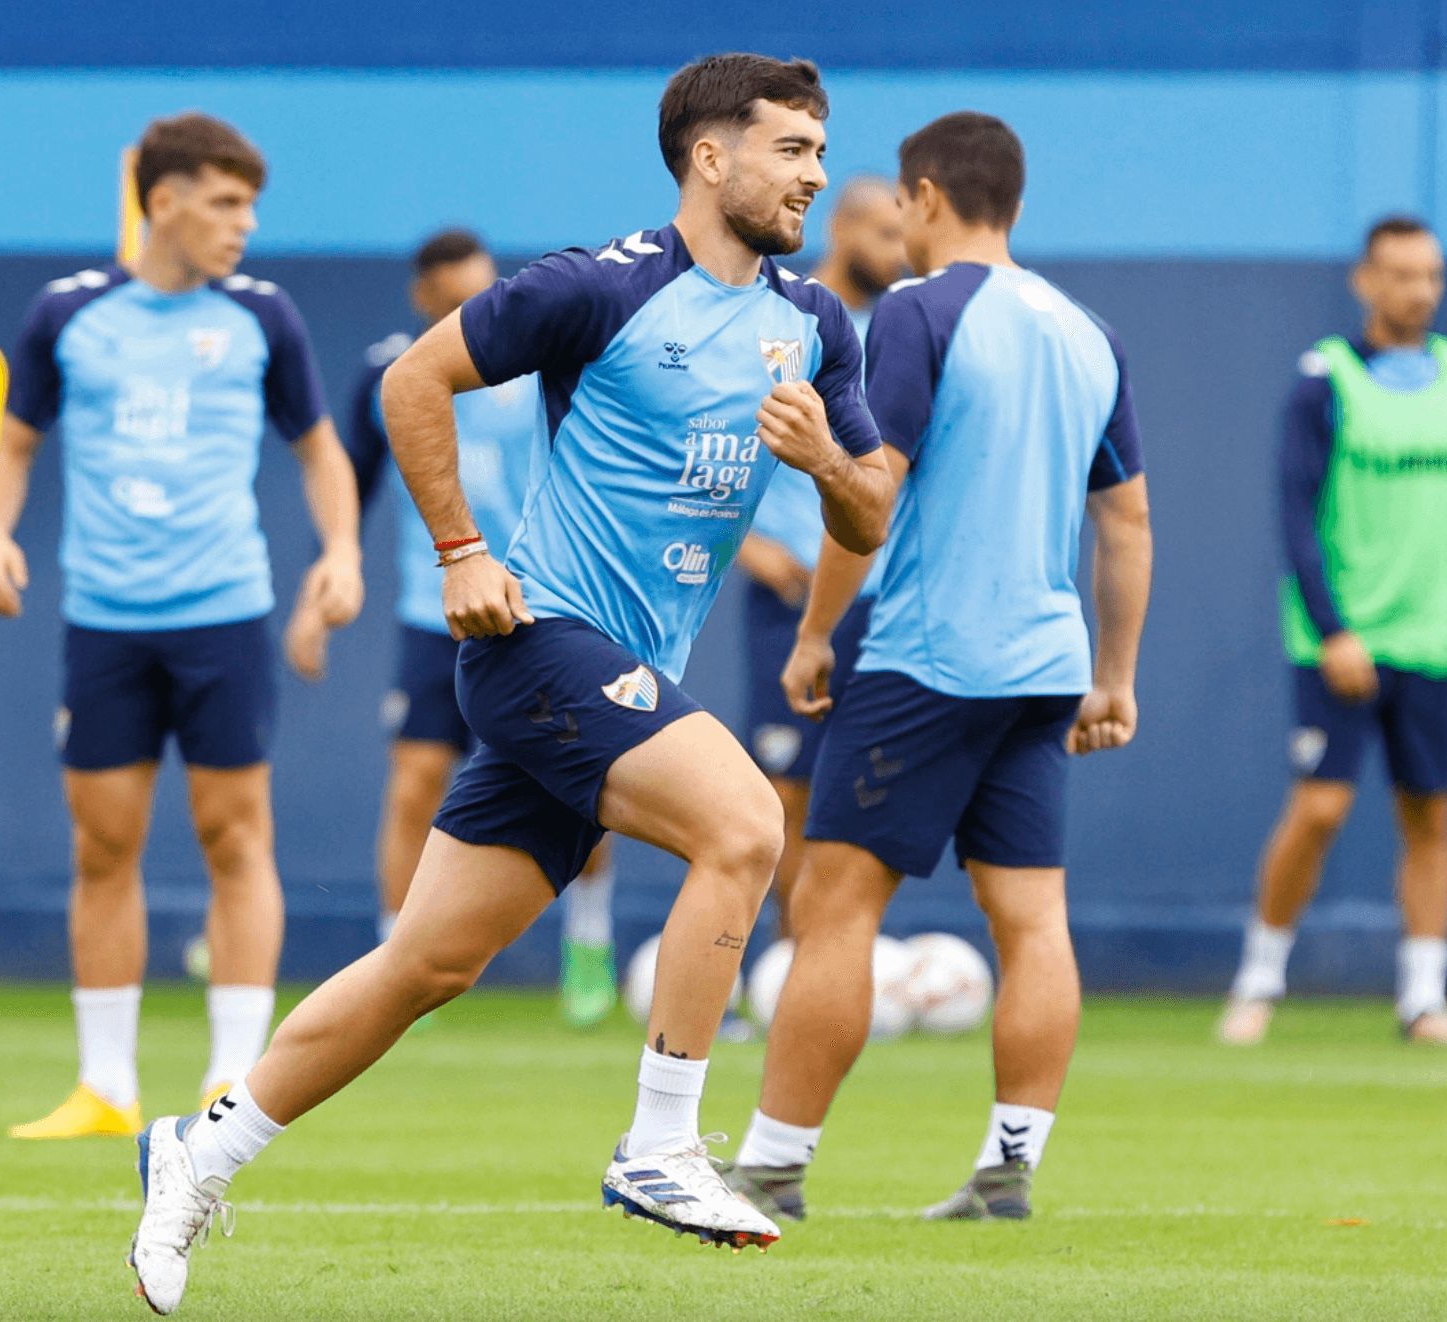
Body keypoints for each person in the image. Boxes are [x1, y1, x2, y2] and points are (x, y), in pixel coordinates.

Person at [125, 54, 896, 1311]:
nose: (813, 172)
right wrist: (462, 552)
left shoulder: (814, 324)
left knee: (421, 967)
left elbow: (868, 516)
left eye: (820, 149)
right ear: (712, 158)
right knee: (748, 821)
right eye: (792, 149)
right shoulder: (594, 289)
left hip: (623, 672)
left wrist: (823, 462)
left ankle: (197, 1150)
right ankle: (660, 1139)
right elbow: (409, 381)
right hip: (540, 645)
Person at [727, 112, 1152, 1225]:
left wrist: (816, 633)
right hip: (1046, 665)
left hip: (926, 655)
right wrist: (1114, 675)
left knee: (834, 905)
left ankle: (770, 1164)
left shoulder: (916, 311)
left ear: (923, 197)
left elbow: (866, 491)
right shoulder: (1085, 329)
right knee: (1031, 920)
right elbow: (1127, 524)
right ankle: (1009, 1166)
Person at [0, 113, 364, 1139]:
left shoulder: (263, 316)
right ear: (162, 202)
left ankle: (231, 1074)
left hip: (222, 617)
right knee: (102, 845)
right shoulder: (67, 313)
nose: (243, 226)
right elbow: (13, 445)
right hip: (102, 622)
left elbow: (322, 452)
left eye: (250, 206)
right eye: (225, 203)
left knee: (234, 835)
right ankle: (104, 1083)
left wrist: (339, 549)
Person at [1216, 215, 1447, 1049]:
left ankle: (1423, 1000)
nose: (1420, 290)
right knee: (1321, 808)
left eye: (1432, 274)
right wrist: (1332, 630)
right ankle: (1258, 981)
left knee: (1430, 815)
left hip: (1436, 639)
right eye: (1402, 275)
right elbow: (1295, 512)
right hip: (1345, 645)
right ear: (1367, 281)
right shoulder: (1323, 381)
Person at [321, 228, 622, 1030]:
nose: (477, 310)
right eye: (458, 297)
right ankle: (394, 957)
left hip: (539, 610)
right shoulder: (394, 370)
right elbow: (345, 483)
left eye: (485, 292)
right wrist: (330, 574)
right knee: (417, 780)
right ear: (426, 299)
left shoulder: (533, 364)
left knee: (585, 786)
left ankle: (587, 946)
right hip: (435, 614)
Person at [737, 177, 905, 934]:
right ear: (841, 227)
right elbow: (704, 437)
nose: (898, 253)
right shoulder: (780, 317)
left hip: (882, 605)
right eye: (883, 234)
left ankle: (831, 967)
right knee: (782, 795)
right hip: (790, 599)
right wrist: (747, 544)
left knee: (864, 795)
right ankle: (783, 965)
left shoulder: (906, 333)